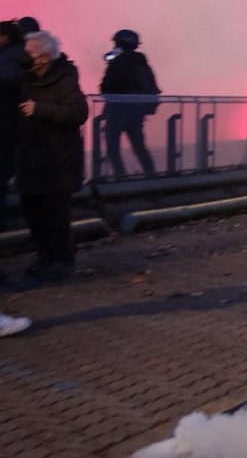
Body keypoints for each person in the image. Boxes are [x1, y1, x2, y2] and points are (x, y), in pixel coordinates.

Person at [16, 30, 89, 279]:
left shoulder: (65, 79)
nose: (25, 57)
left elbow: (78, 113)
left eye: (30, 53)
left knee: (55, 216)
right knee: (33, 213)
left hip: (58, 161)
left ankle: (63, 260)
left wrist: (40, 109)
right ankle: (44, 257)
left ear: (45, 57)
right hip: (29, 159)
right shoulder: (24, 80)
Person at [99, 28, 159, 178]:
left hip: (116, 112)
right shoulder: (143, 65)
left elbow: (105, 88)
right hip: (135, 113)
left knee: (112, 149)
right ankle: (151, 175)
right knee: (139, 147)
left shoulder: (117, 63)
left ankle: (121, 178)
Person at [0, 19, 29, 232]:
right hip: (24, 125)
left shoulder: (5, 60)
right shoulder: (27, 56)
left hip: (7, 126)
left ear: (6, 37)